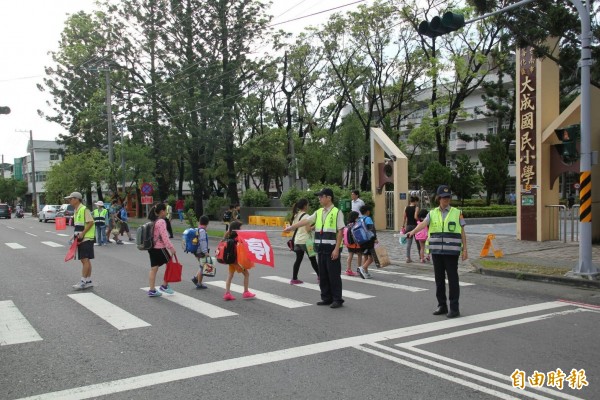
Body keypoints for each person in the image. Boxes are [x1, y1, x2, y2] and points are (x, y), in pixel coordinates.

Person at [407, 185, 468, 319]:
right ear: (438, 198)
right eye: (443, 197)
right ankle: (442, 305)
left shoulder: (457, 212)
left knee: (453, 280)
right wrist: (412, 232)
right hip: (436, 252)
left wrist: (465, 250)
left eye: (448, 197)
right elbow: (422, 224)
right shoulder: (432, 213)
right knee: (439, 280)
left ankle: (454, 308)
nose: (446, 199)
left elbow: (462, 232)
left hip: (451, 252)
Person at [283, 187, 345, 309]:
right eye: (319, 197)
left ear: (329, 197)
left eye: (321, 196)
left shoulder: (337, 212)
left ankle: (337, 299)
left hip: (332, 248)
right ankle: (326, 298)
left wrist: (337, 249)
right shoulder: (319, 212)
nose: (319, 199)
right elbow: (306, 221)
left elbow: (340, 231)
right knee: (323, 274)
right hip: (320, 248)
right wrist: (291, 228)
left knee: (333, 275)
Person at [65, 192, 95, 290]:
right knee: (86, 260)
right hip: (81, 239)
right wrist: (73, 236)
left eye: (71, 198)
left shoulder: (83, 209)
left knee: (84, 259)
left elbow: (90, 222)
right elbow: (79, 226)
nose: (70, 200)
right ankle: (88, 281)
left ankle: (83, 281)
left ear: (77, 199)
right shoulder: (76, 210)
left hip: (86, 239)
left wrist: (82, 233)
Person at [147, 203, 177, 297]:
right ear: (162, 211)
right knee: (170, 264)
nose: (166, 213)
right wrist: (171, 248)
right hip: (160, 248)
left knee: (154, 268)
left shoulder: (154, 220)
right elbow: (165, 237)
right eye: (165, 211)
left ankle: (152, 290)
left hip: (151, 248)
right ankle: (164, 285)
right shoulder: (161, 222)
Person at [289, 198, 320, 284]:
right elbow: (308, 230)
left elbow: (294, 227)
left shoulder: (296, 215)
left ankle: (294, 278)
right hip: (307, 241)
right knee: (313, 259)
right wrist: (315, 226)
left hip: (297, 241)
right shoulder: (306, 216)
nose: (308, 206)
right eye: (308, 204)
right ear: (305, 206)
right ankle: (320, 276)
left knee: (298, 260)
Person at [223, 221, 255, 300]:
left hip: (231, 260)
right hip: (237, 261)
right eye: (240, 227)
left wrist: (228, 232)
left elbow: (224, 236)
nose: (242, 229)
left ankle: (227, 293)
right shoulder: (238, 238)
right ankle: (246, 292)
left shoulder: (229, 237)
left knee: (230, 275)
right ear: (237, 229)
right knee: (246, 274)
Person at [357, 205, 378, 279]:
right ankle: (362, 268)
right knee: (372, 257)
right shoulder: (368, 218)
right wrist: (375, 238)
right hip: (369, 241)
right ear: (368, 212)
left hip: (361, 241)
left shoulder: (359, 219)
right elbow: (372, 230)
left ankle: (365, 273)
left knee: (365, 256)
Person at [191, 215, 210, 289]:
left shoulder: (198, 229)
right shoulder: (202, 231)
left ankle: (195, 278)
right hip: (200, 251)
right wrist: (205, 252)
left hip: (196, 250)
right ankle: (199, 283)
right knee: (202, 266)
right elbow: (202, 242)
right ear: (207, 223)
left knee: (202, 265)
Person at [402, 196, 420, 263]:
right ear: (415, 201)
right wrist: (419, 220)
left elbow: (404, 217)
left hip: (408, 226)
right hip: (415, 227)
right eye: (417, 201)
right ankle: (421, 257)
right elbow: (415, 217)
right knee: (418, 242)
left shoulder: (406, 207)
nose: (417, 203)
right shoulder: (416, 208)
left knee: (409, 243)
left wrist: (403, 226)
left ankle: (407, 258)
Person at [343, 211, 361, 276]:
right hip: (356, 244)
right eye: (357, 216)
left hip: (349, 243)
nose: (358, 217)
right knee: (359, 255)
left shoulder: (348, 224)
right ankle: (359, 269)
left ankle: (348, 269)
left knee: (350, 255)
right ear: (355, 217)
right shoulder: (356, 224)